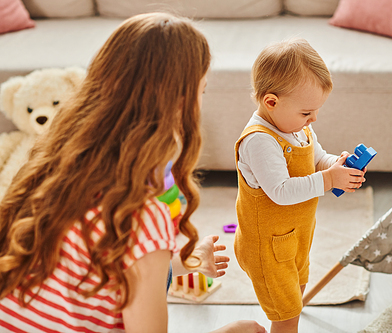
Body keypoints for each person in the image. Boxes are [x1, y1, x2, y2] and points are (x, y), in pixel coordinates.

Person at [0, 13, 266, 333]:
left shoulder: (48, 169)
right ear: (179, 103)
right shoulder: (143, 216)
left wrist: (177, 263)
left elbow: (90, 274)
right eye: (202, 91)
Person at [234, 38, 367, 333]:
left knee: (298, 290)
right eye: (306, 112)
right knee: (287, 313)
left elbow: (317, 159)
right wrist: (328, 180)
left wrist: (337, 166)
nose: (313, 119)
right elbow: (280, 191)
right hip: (267, 247)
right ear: (271, 102)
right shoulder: (259, 141)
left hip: (294, 237)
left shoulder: (297, 127)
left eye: (315, 111)